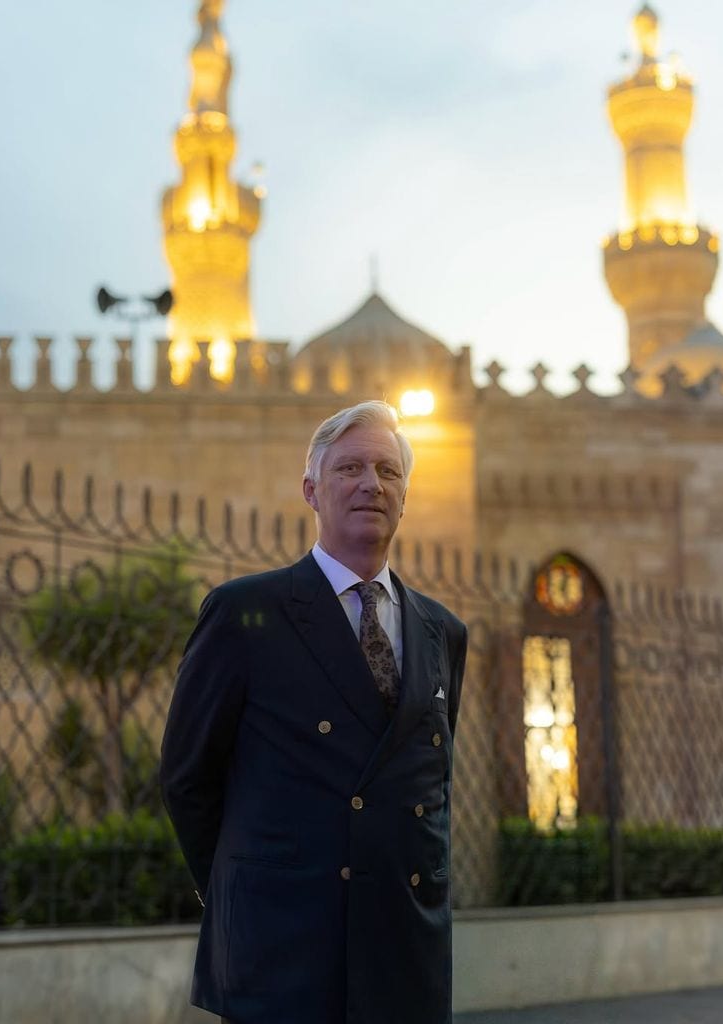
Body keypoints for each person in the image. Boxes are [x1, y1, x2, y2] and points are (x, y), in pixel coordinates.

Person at [160, 400, 467, 1024]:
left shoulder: (442, 630)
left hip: (405, 952)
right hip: (283, 954)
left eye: (387, 471)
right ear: (311, 490)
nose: (370, 485)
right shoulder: (247, 612)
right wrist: (247, 886)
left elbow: (431, 783)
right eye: (349, 468)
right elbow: (188, 776)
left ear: (405, 496)